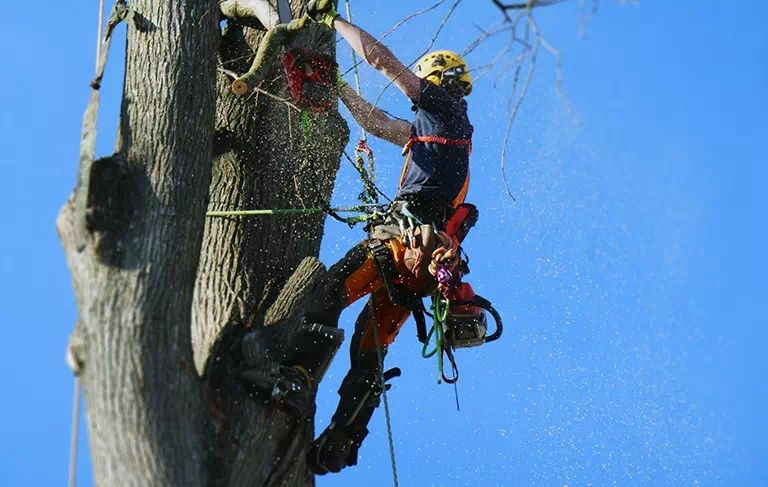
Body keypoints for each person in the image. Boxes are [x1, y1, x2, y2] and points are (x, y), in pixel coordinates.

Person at [244, 0, 477, 475]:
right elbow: (374, 123)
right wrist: (339, 88)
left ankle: (295, 373)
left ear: (438, 82)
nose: (420, 89)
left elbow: (380, 59)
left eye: (425, 81)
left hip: (400, 245)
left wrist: (332, 21)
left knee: (327, 294)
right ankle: (343, 440)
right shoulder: (438, 132)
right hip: (418, 275)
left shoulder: (443, 108)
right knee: (368, 347)